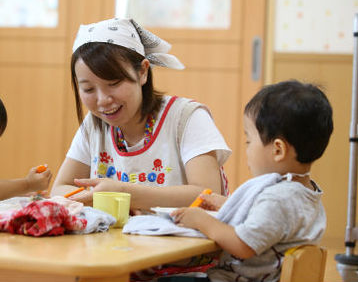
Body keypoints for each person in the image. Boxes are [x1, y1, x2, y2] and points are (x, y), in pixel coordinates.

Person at [51, 17, 231, 211]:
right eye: (88, 89)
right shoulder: (94, 125)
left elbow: (208, 194)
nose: (102, 100)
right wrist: (107, 198)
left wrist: (125, 194)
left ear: (143, 72)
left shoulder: (186, 117)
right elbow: (59, 189)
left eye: (114, 84)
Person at [171, 80, 332, 282]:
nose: (246, 148)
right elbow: (271, 226)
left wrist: (202, 220)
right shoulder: (305, 193)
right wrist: (228, 204)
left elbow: (244, 245)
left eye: (249, 140)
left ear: (278, 150)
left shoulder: (278, 198)